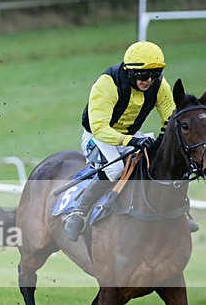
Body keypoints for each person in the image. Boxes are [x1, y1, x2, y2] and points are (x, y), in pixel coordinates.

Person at [63, 40, 198, 242]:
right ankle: (79, 213)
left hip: (131, 135)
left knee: (163, 159)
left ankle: (179, 211)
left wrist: (166, 142)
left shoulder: (159, 85)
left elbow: (170, 118)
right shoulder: (107, 84)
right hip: (98, 137)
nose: (149, 80)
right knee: (115, 169)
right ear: (130, 72)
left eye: (155, 74)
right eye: (143, 75)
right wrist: (131, 141)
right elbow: (99, 128)